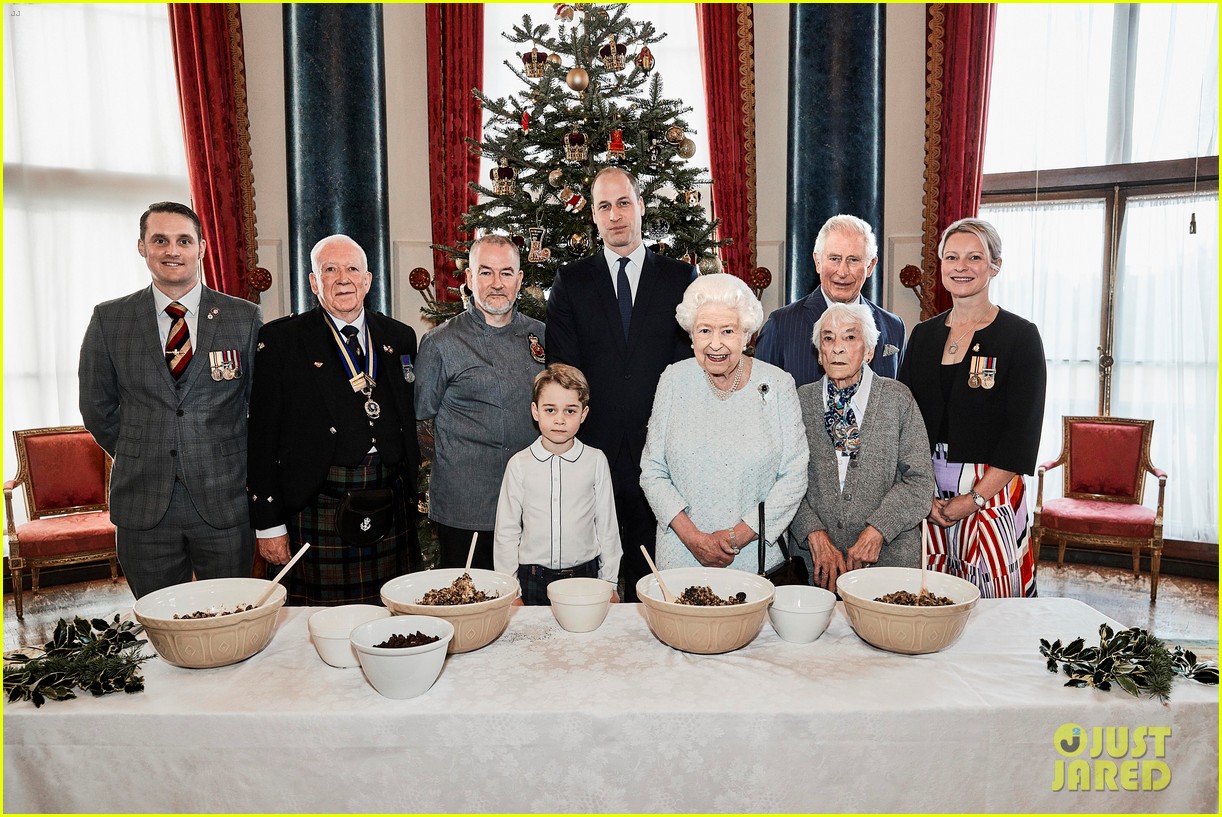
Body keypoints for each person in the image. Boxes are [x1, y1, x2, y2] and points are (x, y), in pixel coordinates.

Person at [78, 201, 262, 599]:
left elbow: (258, 407)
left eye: (183, 240)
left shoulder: (243, 318)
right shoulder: (110, 319)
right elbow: (97, 406)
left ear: (202, 247)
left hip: (224, 502)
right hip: (144, 504)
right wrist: (141, 449)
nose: (172, 250)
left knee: (230, 618)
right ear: (142, 247)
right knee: (160, 623)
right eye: (159, 240)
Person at [547, 166, 697, 601]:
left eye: (624, 202)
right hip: (595, 453)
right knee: (599, 580)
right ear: (593, 216)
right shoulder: (571, 283)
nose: (615, 215)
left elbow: (689, 366)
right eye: (604, 206)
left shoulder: (679, 278)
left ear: (641, 206)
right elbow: (565, 369)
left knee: (657, 581)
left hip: (663, 456)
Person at [247, 234, 420, 605]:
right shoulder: (282, 340)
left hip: (390, 499)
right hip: (316, 502)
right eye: (330, 269)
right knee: (319, 625)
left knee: (395, 616)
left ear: (368, 280)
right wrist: (268, 523)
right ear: (314, 282)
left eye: (352, 269)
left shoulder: (399, 337)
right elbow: (262, 436)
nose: (343, 278)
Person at [898, 217, 1047, 598]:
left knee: (993, 605)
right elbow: (903, 419)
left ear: (995, 265)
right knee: (930, 599)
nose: (961, 267)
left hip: (991, 491)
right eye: (952, 257)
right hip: (927, 490)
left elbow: (1022, 433)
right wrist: (919, 493)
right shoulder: (923, 335)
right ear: (941, 267)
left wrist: (975, 498)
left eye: (974, 257)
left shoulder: (1020, 336)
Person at [640, 274, 808, 574]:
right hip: (681, 556)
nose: (715, 344)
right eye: (704, 330)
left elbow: (794, 477)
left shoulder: (779, 385)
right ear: (691, 335)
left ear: (746, 335)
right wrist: (694, 539)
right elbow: (653, 471)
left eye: (727, 331)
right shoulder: (674, 380)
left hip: (756, 560)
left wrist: (736, 537)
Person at [415, 234, 545, 570]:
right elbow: (422, 423)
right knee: (468, 603)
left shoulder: (542, 336)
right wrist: (462, 462)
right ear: (470, 279)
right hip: (465, 506)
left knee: (529, 607)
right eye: (486, 273)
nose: (497, 284)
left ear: (519, 280)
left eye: (506, 273)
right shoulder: (440, 342)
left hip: (531, 504)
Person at [790, 302, 935, 590]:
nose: (837, 348)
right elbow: (784, 481)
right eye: (828, 338)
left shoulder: (897, 398)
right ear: (820, 354)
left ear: (869, 351)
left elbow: (919, 482)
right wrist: (813, 533)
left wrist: (878, 530)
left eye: (850, 337)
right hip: (817, 565)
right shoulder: (799, 401)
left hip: (889, 562)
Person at [493, 364, 622, 605]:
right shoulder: (519, 464)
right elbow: (506, 533)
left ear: (583, 414)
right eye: (550, 410)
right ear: (535, 411)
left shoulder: (595, 461)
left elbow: (607, 527)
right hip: (532, 580)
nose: (560, 420)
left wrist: (610, 582)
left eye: (570, 411)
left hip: (586, 580)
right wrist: (510, 591)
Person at [755, 214, 905, 386]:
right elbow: (760, 402)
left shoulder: (894, 327)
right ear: (818, 262)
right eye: (834, 259)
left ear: (870, 266)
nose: (842, 272)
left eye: (853, 260)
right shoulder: (781, 325)